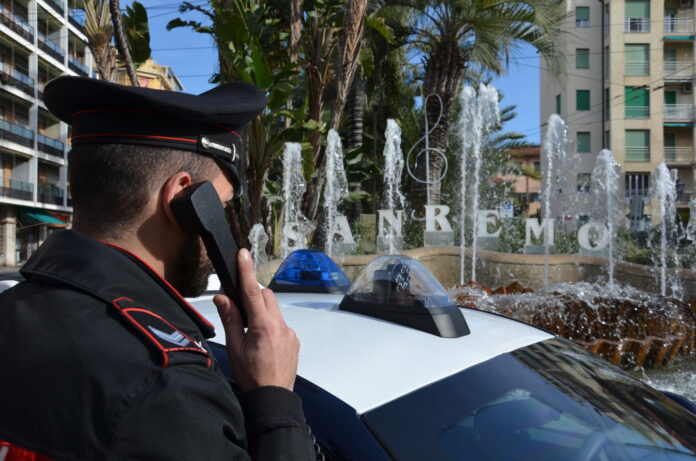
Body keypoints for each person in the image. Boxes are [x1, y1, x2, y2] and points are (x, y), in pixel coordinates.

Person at [0, 77, 316, 460]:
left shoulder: (11, 312)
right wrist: (275, 402)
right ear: (183, 198)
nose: (228, 228)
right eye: (224, 207)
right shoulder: (170, 386)